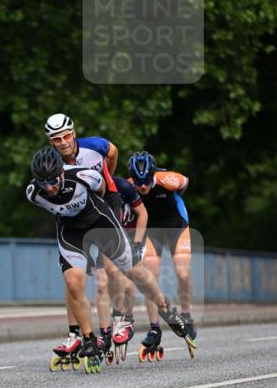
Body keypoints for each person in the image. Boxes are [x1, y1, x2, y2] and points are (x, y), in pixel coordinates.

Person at [26, 147, 189, 373]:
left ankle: (164, 307)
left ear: (62, 172)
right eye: (43, 183)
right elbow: (54, 205)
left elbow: (106, 192)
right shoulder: (33, 193)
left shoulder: (83, 176)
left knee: (134, 272)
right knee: (73, 283)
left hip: (99, 222)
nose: (50, 188)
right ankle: (89, 339)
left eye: (53, 180)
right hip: (70, 232)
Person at [44, 113, 125, 356]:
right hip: (75, 215)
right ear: (51, 142)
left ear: (74, 132)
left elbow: (113, 152)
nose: (63, 142)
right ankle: (75, 335)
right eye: (56, 139)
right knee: (74, 280)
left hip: (104, 201)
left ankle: (119, 320)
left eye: (67, 135)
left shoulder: (95, 146)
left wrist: (106, 176)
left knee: (109, 271)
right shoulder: (52, 161)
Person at [126, 151, 197, 352]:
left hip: (176, 226)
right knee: (150, 276)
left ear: (153, 175)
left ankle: (186, 315)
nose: (143, 187)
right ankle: (154, 328)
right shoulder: (128, 185)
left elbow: (185, 183)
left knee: (182, 273)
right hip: (152, 230)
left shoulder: (167, 179)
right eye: (138, 183)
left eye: (147, 181)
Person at [109, 174, 149, 357]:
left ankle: (128, 318)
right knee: (111, 279)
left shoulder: (127, 188)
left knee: (127, 281)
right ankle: (116, 317)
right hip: (115, 236)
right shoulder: (105, 187)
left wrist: (137, 244)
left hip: (133, 237)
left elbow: (143, 214)